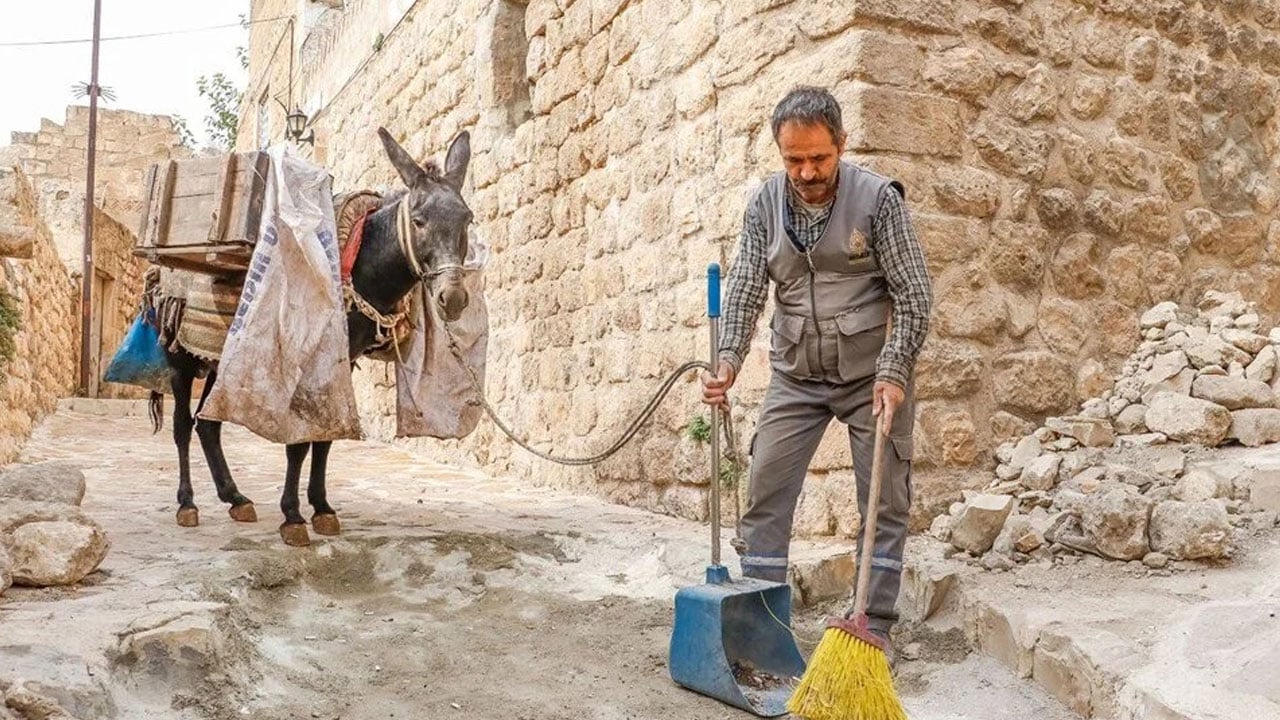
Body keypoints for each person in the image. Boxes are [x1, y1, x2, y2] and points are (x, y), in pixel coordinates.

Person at [701, 85, 933, 648]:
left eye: (819, 159)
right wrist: (728, 359)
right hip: (795, 376)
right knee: (765, 492)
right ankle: (761, 625)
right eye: (794, 160)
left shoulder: (879, 201)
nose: (806, 172)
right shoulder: (763, 205)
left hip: (870, 377)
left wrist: (895, 369)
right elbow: (748, 288)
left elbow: (915, 293)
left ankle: (870, 627)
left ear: (842, 144)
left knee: (883, 503)